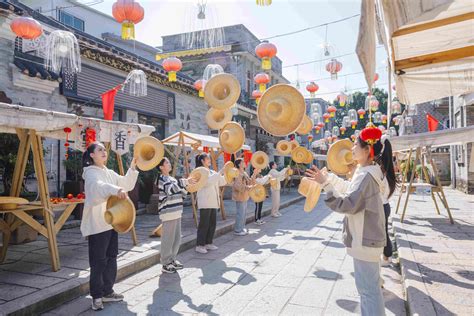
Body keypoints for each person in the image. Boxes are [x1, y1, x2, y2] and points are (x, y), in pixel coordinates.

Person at [305, 132, 396, 316]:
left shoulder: (366, 176)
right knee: (370, 291)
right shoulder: (368, 172)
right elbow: (351, 191)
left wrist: (326, 186)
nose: (352, 148)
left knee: (368, 292)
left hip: (364, 239)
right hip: (367, 238)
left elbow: (347, 204)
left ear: (367, 150)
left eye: (356, 144)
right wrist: (329, 179)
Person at [81, 142, 139, 311]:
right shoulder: (90, 173)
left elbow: (126, 184)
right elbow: (98, 188)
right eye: (100, 150)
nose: (104, 152)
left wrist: (133, 167)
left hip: (111, 222)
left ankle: (108, 291)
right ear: (91, 155)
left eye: (104, 150)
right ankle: (97, 296)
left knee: (112, 257)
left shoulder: (109, 172)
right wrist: (116, 189)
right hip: (98, 225)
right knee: (98, 261)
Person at [157, 157, 197, 273]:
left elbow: (182, 194)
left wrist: (187, 186)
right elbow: (169, 190)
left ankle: (172, 260)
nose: (169, 164)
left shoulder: (172, 178)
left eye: (169, 162)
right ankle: (165, 263)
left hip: (177, 211)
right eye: (167, 162)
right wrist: (184, 182)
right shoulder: (161, 179)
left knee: (176, 238)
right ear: (161, 167)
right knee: (168, 239)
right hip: (168, 213)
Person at [194, 153, 227, 254]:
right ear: (202, 161)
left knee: (212, 223)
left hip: (213, 201)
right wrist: (220, 172)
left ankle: (208, 242)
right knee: (204, 224)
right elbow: (207, 182)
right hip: (205, 201)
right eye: (207, 158)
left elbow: (221, 182)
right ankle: (200, 245)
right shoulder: (199, 172)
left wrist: (226, 174)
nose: (209, 160)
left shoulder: (212, 171)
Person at [381, 137, 397, 266]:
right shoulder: (387, 172)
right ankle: (387, 256)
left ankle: (387, 256)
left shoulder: (380, 173)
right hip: (384, 205)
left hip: (380, 206)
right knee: (384, 232)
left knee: (382, 234)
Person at [232, 158, 259, 236]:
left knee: (243, 213)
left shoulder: (244, 172)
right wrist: (248, 187)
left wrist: (254, 173)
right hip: (240, 196)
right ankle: (237, 230)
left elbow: (250, 181)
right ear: (239, 164)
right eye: (243, 162)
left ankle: (242, 227)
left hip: (245, 195)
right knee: (240, 213)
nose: (245, 163)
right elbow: (237, 185)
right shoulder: (237, 173)